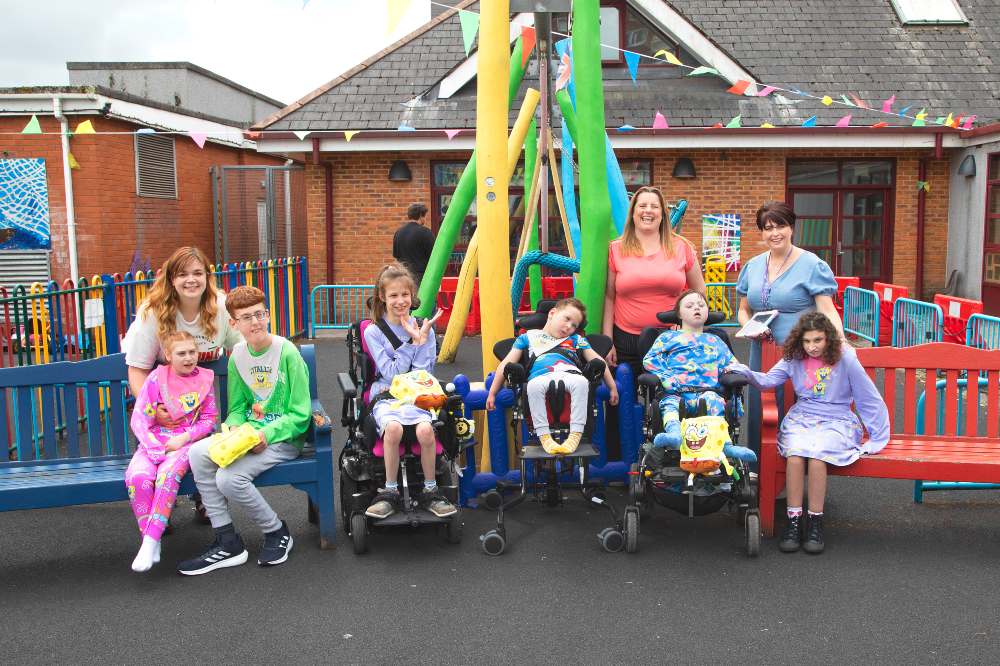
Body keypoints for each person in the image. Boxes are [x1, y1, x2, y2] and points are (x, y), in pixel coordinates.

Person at [727, 312, 889, 555]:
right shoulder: (794, 358)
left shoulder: (845, 358)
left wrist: (877, 435)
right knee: (795, 454)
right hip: (803, 417)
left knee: (816, 456)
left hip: (837, 419)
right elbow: (769, 380)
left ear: (829, 339)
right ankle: (793, 520)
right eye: (807, 341)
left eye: (818, 340)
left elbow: (867, 396)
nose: (812, 347)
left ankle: (815, 521)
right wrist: (746, 372)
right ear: (799, 341)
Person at [177, 286, 311, 575]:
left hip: (283, 438)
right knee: (198, 452)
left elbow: (301, 414)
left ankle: (276, 532)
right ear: (234, 324)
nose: (256, 322)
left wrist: (267, 435)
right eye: (247, 317)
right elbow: (237, 408)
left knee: (229, 478)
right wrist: (236, 427)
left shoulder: (287, 353)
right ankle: (227, 540)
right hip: (249, 434)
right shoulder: (237, 354)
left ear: (269, 316)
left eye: (260, 314)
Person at [736, 201, 842, 457]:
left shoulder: (811, 265)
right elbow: (742, 310)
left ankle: (788, 476)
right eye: (768, 228)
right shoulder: (753, 265)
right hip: (761, 350)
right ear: (761, 233)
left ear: (792, 227)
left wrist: (841, 343)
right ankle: (757, 471)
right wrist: (748, 328)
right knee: (760, 409)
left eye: (780, 226)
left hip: (800, 355)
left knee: (792, 412)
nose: (775, 233)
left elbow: (827, 310)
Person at [362, 263, 454, 520]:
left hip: (416, 393)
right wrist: (412, 342)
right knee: (393, 429)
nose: (400, 301)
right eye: (393, 295)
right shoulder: (373, 331)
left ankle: (430, 489)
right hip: (387, 394)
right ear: (382, 297)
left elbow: (422, 373)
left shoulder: (425, 327)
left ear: (412, 296)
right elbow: (391, 374)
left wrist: (421, 339)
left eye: (405, 295)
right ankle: (389, 491)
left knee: (426, 430)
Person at [125, 331, 217, 572]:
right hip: (152, 442)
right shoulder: (156, 379)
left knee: (167, 477)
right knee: (138, 477)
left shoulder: (205, 381)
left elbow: (208, 420)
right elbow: (140, 418)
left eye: (192, 352)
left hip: (185, 444)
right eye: (181, 353)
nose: (188, 358)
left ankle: (149, 542)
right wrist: (153, 447)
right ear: (168, 355)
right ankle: (150, 539)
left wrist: (184, 438)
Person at [487, 298, 619, 455]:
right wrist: (492, 393)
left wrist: (612, 388)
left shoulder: (576, 340)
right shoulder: (527, 338)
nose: (569, 327)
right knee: (532, 386)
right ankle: (545, 436)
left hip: (570, 373)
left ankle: (575, 435)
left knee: (582, 383)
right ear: (552, 313)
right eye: (567, 319)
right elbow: (505, 364)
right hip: (540, 375)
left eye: (574, 325)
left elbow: (599, 361)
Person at [603, 186, 706, 380]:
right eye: (642, 206)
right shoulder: (616, 249)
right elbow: (609, 296)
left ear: (663, 214)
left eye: (654, 206)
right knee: (623, 400)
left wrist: (684, 323)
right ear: (633, 214)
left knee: (669, 400)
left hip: (671, 337)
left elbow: (699, 290)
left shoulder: (681, 247)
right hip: (625, 339)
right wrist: (608, 341)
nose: (648, 211)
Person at [641, 290, 739, 462]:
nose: (697, 308)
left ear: (707, 312)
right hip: (676, 392)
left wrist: (741, 373)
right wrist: (666, 377)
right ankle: (674, 434)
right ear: (679, 313)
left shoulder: (715, 340)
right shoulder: (668, 337)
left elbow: (731, 365)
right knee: (670, 405)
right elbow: (650, 360)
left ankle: (725, 443)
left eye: (701, 305)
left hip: (707, 391)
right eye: (690, 305)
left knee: (714, 401)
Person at [392, 202, 436, 288]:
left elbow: (396, 256)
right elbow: (434, 257)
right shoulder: (426, 232)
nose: (425, 219)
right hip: (421, 280)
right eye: (425, 216)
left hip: (403, 278)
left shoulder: (398, 233)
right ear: (420, 215)